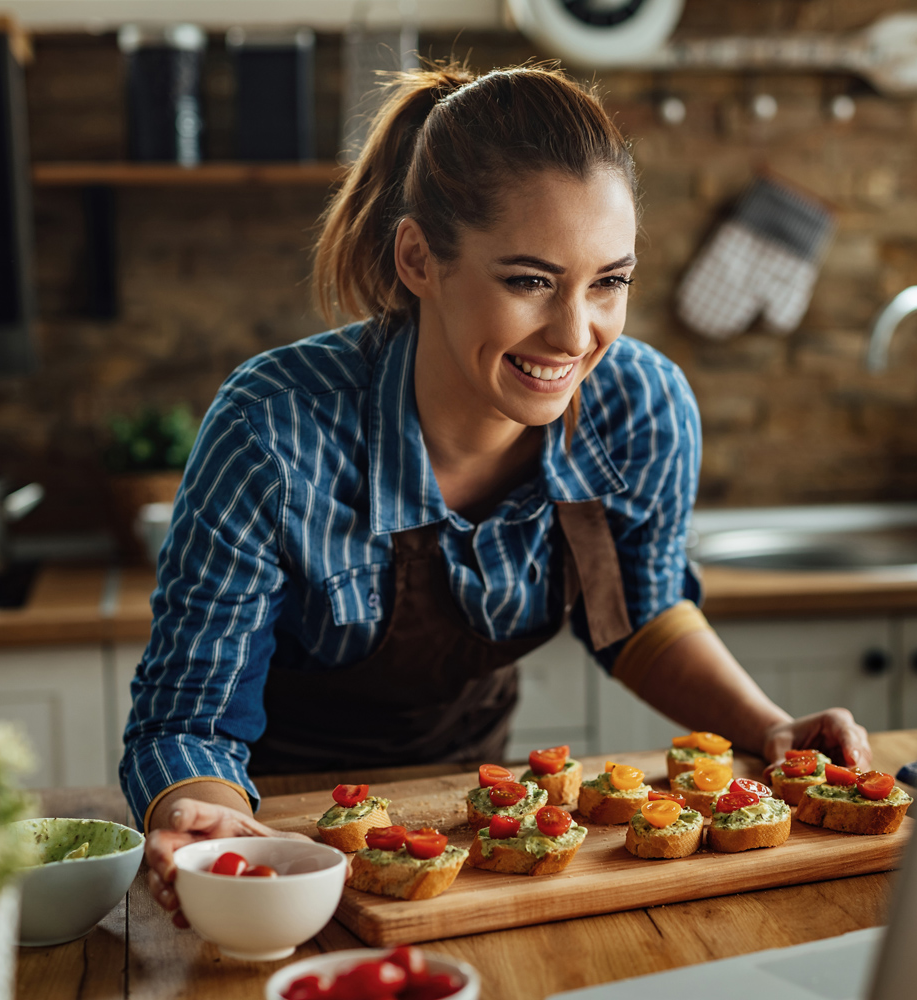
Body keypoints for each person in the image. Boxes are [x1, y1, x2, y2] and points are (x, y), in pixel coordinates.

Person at [124, 62, 871, 922]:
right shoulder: (274, 430)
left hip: (473, 821)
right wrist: (206, 817)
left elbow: (633, 613)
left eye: (609, 282)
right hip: (275, 825)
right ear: (420, 259)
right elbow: (190, 715)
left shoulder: (639, 406)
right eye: (529, 280)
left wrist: (769, 727)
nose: (575, 332)